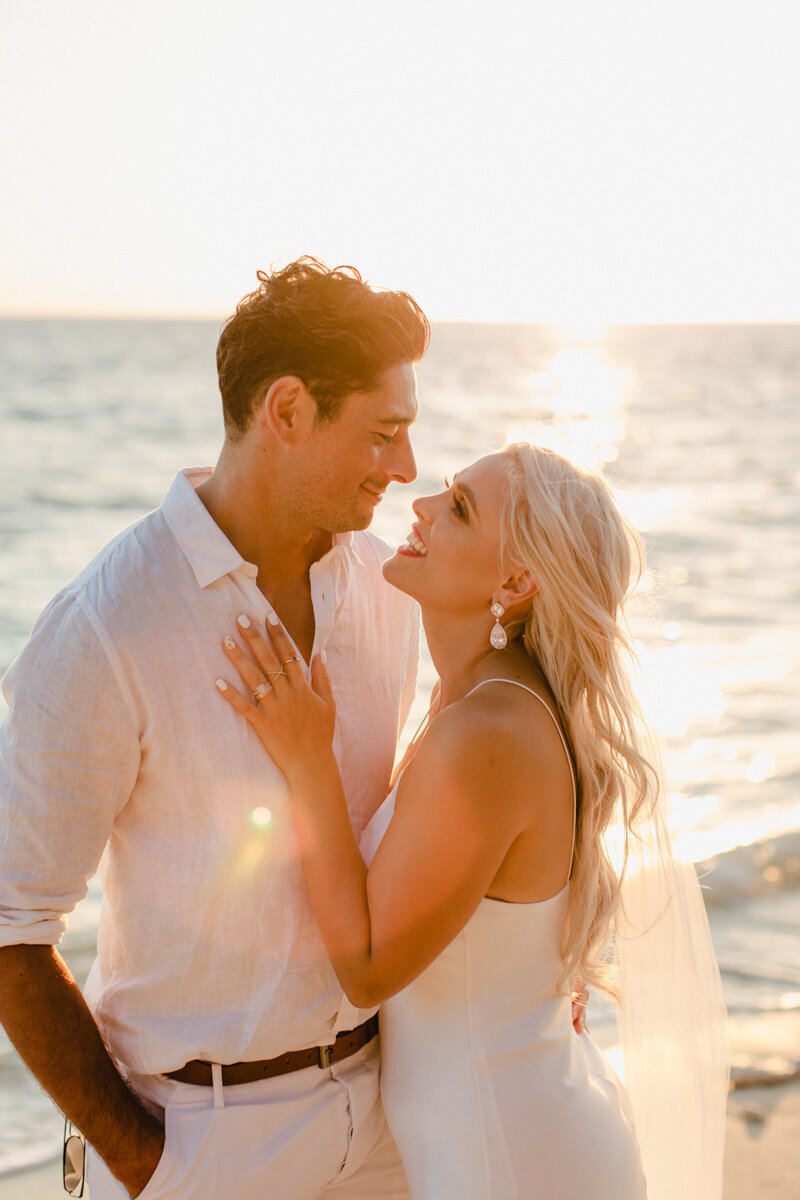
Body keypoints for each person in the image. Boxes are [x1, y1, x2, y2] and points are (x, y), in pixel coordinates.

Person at [0, 258, 430, 1198]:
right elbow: (12, 928)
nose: (405, 467)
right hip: (207, 1138)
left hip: (392, 1111)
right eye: (384, 432)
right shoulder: (108, 625)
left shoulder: (392, 590)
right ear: (286, 411)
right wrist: (145, 1165)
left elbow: (415, 829)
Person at [217, 443, 729, 1200]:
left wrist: (307, 760)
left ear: (516, 582)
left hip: (513, 1159)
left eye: (457, 508)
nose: (418, 507)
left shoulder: (488, 733)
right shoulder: (481, 705)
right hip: (510, 1134)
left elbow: (366, 968)